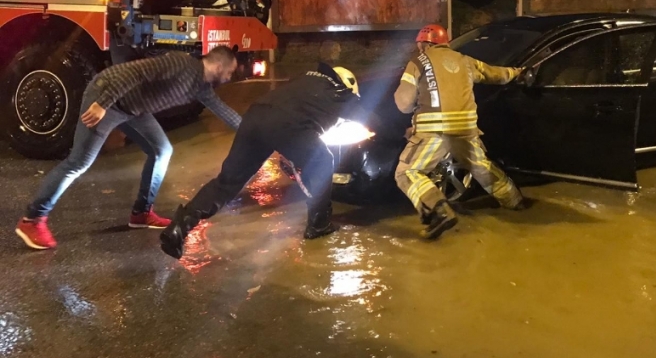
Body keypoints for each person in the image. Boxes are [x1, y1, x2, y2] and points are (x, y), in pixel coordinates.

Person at [15, 46, 242, 250]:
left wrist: (254, 131)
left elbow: (222, 110)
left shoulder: (200, 87)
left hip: (133, 109)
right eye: (229, 72)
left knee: (161, 150)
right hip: (106, 97)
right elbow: (134, 72)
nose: (229, 77)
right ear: (219, 66)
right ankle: (32, 219)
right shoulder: (181, 63)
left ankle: (141, 213)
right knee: (78, 163)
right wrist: (102, 104)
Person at [160, 62, 367, 259]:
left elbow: (295, 111)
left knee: (227, 182)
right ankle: (319, 225)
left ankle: (180, 226)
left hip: (255, 115)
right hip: (287, 124)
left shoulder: (304, 79)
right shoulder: (343, 94)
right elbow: (370, 120)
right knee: (323, 161)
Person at [393, 24, 526, 240]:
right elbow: (496, 74)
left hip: (434, 130)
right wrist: (517, 72)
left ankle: (439, 211)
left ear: (425, 44)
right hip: (466, 128)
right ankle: (514, 202)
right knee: (480, 166)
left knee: (407, 172)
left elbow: (404, 103)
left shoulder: (417, 63)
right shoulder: (465, 60)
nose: (419, 50)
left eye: (419, 46)